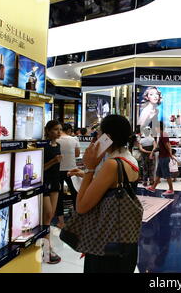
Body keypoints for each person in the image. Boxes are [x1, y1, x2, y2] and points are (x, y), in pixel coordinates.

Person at [68, 115, 140, 273]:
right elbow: (111, 185)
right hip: (125, 241)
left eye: (99, 134)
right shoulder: (130, 160)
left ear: (108, 138)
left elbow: (81, 207)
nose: (97, 138)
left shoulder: (111, 164)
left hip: (106, 245)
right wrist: (86, 173)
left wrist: (89, 168)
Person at [42, 120, 63, 264]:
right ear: (48, 130)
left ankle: (47, 248)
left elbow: (57, 167)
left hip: (55, 182)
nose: (58, 132)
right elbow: (39, 169)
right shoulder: (43, 146)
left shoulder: (59, 145)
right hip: (44, 183)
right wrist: (53, 162)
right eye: (56, 129)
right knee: (48, 214)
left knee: (50, 217)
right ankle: (46, 249)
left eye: (60, 129)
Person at [56, 123, 81, 229]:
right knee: (75, 193)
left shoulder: (56, 140)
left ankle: (61, 222)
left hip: (58, 170)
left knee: (58, 196)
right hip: (72, 169)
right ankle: (77, 219)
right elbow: (77, 154)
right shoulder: (74, 139)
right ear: (69, 130)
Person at [145, 122, 176, 196]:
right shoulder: (162, 135)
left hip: (164, 157)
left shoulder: (163, 135)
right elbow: (163, 146)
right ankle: (153, 187)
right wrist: (153, 152)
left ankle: (171, 189)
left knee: (167, 173)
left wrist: (170, 155)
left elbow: (167, 145)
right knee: (158, 173)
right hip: (162, 157)